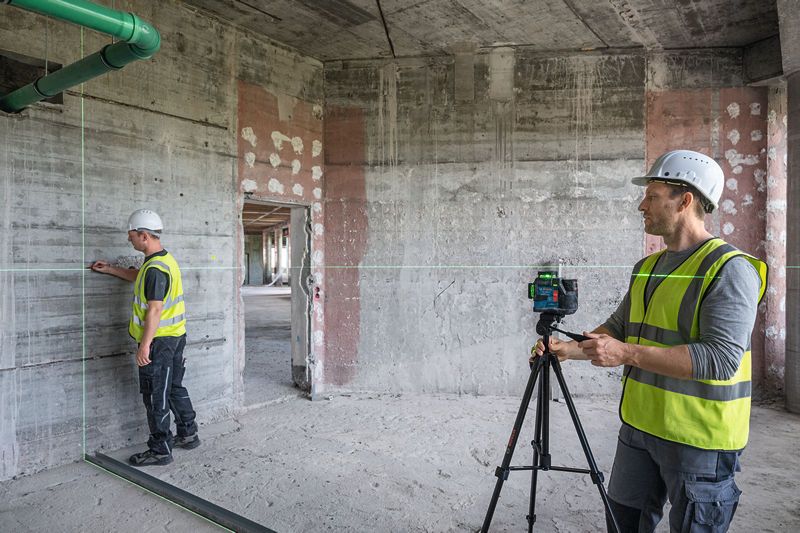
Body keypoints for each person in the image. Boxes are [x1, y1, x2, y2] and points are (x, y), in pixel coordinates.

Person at [532, 150, 767, 532]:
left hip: (699, 440)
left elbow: (721, 359)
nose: (642, 205)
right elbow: (619, 326)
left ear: (685, 200)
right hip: (640, 429)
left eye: (653, 196)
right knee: (622, 523)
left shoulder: (730, 269)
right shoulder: (647, 268)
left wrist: (625, 354)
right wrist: (567, 351)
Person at [91, 209, 200, 466]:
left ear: (143, 236)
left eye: (131, 236)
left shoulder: (155, 269)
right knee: (173, 387)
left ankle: (161, 448)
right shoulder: (162, 261)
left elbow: (155, 309)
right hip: (175, 337)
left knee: (154, 394)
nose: (129, 240)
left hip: (159, 341)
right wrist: (111, 269)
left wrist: (145, 345)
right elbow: (140, 277)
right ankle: (188, 432)